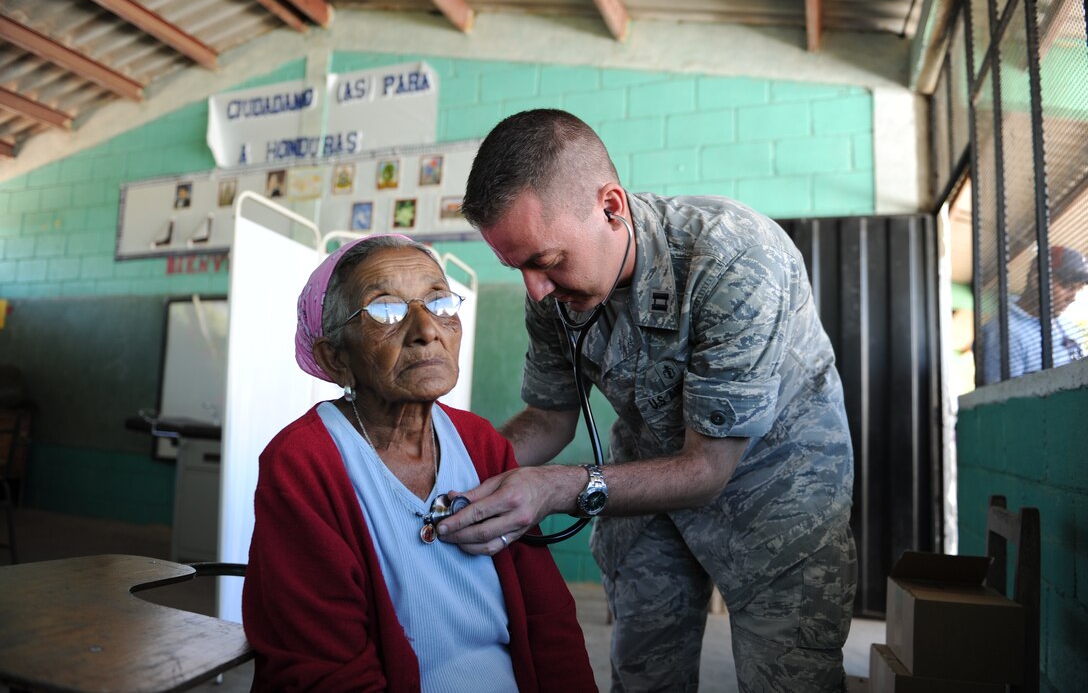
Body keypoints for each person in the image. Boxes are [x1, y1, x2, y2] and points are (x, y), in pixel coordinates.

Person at [439, 109, 857, 692]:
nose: (536, 290)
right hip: (647, 492)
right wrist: (453, 470)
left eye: (547, 261)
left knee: (787, 679)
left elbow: (708, 469)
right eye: (518, 268)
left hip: (777, 496)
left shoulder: (735, 258)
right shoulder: (550, 294)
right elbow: (550, 417)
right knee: (643, 673)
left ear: (611, 206)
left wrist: (558, 488)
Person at [241, 234, 596, 691]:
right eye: (385, 310)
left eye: (440, 302)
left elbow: (549, 620)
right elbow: (325, 671)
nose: (427, 328)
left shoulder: (481, 443)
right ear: (335, 359)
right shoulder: (304, 463)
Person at [980, 245, 1088, 384]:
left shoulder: (1065, 324)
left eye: (1077, 289)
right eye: (1067, 286)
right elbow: (1004, 400)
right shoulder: (1004, 334)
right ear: (1038, 280)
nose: (1072, 297)